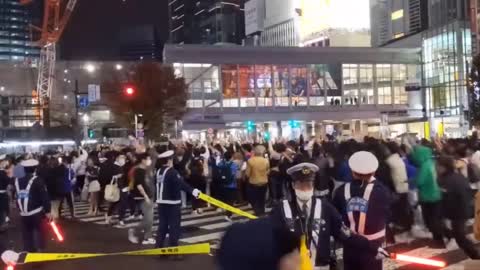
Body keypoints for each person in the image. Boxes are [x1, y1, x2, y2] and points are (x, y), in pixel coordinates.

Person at [333, 151, 392, 270]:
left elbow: (336, 218)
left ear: (353, 171)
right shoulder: (382, 192)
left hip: (350, 246)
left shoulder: (341, 191)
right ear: (374, 171)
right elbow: (389, 216)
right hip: (373, 248)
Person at [154, 147, 200, 259]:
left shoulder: (159, 171)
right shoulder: (172, 172)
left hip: (161, 203)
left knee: (162, 226)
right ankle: (174, 251)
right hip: (172, 203)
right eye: (171, 159)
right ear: (169, 160)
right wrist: (193, 191)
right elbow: (181, 184)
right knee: (174, 227)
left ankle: (159, 249)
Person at [436, 156, 480, 258]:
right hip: (460, 211)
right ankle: (474, 254)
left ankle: (475, 256)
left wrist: (445, 213)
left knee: (460, 237)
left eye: (437, 166)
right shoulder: (457, 176)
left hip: (458, 212)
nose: (436, 168)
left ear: (444, 167)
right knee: (459, 235)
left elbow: (452, 198)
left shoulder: (447, 180)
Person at [15, 159, 52, 252]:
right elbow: (44, 196)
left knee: (27, 233)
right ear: (35, 169)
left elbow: (16, 195)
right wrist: (48, 211)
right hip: (36, 212)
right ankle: (40, 250)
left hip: (23, 214)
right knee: (40, 232)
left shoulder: (17, 180)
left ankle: (29, 250)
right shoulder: (37, 180)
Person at [410, 145, 444, 248]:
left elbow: (420, 181)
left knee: (431, 220)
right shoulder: (432, 163)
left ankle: (439, 241)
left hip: (428, 196)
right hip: (436, 195)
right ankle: (443, 237)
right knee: (436, 219)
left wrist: (411, 181)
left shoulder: (424, 166)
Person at [128, 153, 155, 245]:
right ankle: (134, 230)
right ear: (143, 160)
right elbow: (139, 184)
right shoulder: (138, 170)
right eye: (148, 159)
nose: (149, 161)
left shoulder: (146, 170)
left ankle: (148, 237)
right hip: (143, 197)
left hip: (149, 195)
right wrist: (146, 196)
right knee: (148, 218)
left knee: (149, 218)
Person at [246, 145, 270, 216]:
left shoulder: (250, 161)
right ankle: (262, 212)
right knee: (262, 199)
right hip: (264, 182)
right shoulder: (266, 160)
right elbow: (268, 171)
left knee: (254, 198)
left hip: (254, 183)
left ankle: (257, 212)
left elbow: (247, 174)